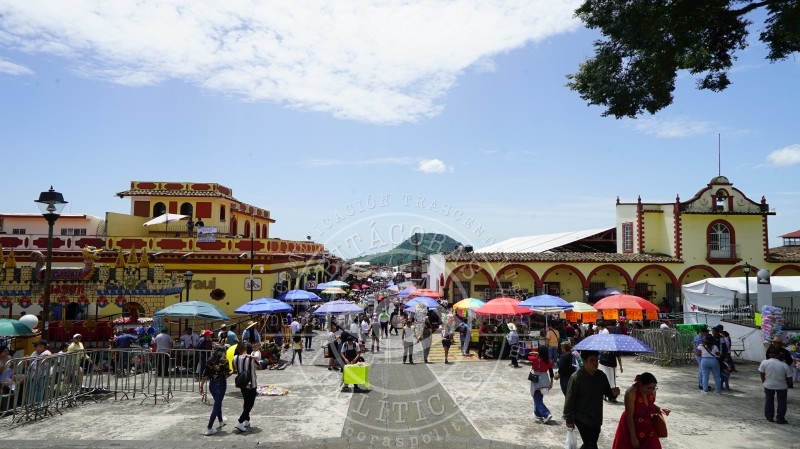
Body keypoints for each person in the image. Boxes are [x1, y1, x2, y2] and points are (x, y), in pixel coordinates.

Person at [563, 350, 621, 449]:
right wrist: (568, 419)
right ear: (584, 361)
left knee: (590, 444)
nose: (595, 363)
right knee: (591, 444)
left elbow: (609, 394)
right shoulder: (576, 377)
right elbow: (569, 399)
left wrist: (614, 393)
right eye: (592, 360)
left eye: (596, 360)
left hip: (596, 418)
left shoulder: (601, 376)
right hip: (582, 418)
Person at [611, 372, 670, 449]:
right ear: (640, 384)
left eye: (654, 388)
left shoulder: (652, 391)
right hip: (631, 426)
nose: (651, 391)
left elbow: (649, 405)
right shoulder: (631, 392)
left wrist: (659, 409)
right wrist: (633, 437)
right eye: (649, 388)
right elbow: (629, 417)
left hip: (647, 425)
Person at [198, 347, 231, 435]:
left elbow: (205, 374)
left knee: (217, 403)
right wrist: (233, 371)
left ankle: (221, 421)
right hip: (221, 384)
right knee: (216, 405)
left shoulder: (210, 361)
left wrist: (201, 386)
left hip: (212, 385)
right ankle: (209, 427)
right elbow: (226, 375)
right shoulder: (224, 362)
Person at [759, 347, 794, 424]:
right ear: (779, 355)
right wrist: (787, 385)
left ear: (770, 354)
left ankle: (769, 417)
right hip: (782, 386)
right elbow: (789, 378)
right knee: (782, 402)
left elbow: (762, 373)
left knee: (769, 400)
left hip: (768, 385)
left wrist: (764, 381)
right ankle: (780, 418)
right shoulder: (784, 365)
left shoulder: (764, 362)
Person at [233, 343, 259, 432]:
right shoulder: (251, 358)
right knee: (250, 403)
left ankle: (246, 420)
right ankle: (240, 421)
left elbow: (234, 367)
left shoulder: (235, 358)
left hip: (242, 383)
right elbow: (259, 365)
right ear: (246, 348)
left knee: (246, 401)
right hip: (251, 383)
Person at [529, 346, 554, 423]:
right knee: (539, 397)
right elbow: (551, 372)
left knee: (537, 398)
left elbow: (528, 356)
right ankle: (537, 413)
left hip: (536, 380)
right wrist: (551, 382)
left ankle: (546, 414)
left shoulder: (535, 359)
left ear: (539, 352)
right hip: (545, 380)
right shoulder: (549, 360)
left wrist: (534, 353)